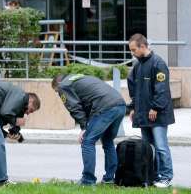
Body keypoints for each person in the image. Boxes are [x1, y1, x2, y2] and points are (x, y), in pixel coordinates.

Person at [52, 74, 126, 186]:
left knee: (87, 141)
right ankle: (109, 179)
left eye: (56, 92)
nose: (59, 94)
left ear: (57, 85)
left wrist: (84, 127)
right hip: (120, 105)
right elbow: (89, 101)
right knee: (107, 141)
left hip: (105, 107)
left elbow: (74, 107)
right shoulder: (79, 78)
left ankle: (88, 181)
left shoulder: (63, 86)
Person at [127, 33, 175, 188]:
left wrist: (155, 107)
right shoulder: (137, 66)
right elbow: (133, 89)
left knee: (161, 146)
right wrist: (133, 108)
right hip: (143, 114)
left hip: (158, 114)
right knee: (148, 148)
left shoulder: (158, 64)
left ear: (143, 46)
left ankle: (166, 176)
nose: (132, 53)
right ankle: (152, 176)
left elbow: (161, 90)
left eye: (134, 50)